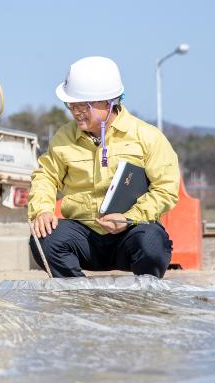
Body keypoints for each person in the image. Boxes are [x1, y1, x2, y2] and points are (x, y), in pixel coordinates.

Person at [28, 56, 179, 278]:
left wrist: (130, 217)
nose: (75, 111)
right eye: (71, 105)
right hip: (83, 237)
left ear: (108, 104)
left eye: (83, 105)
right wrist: (42, 210)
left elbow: (166, 189)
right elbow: (46, 176)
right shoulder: (64, 137)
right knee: (44, 238)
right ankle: (77, 297)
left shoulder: (147, 137)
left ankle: (145, 298)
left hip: (130, 232)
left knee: (152, 241)